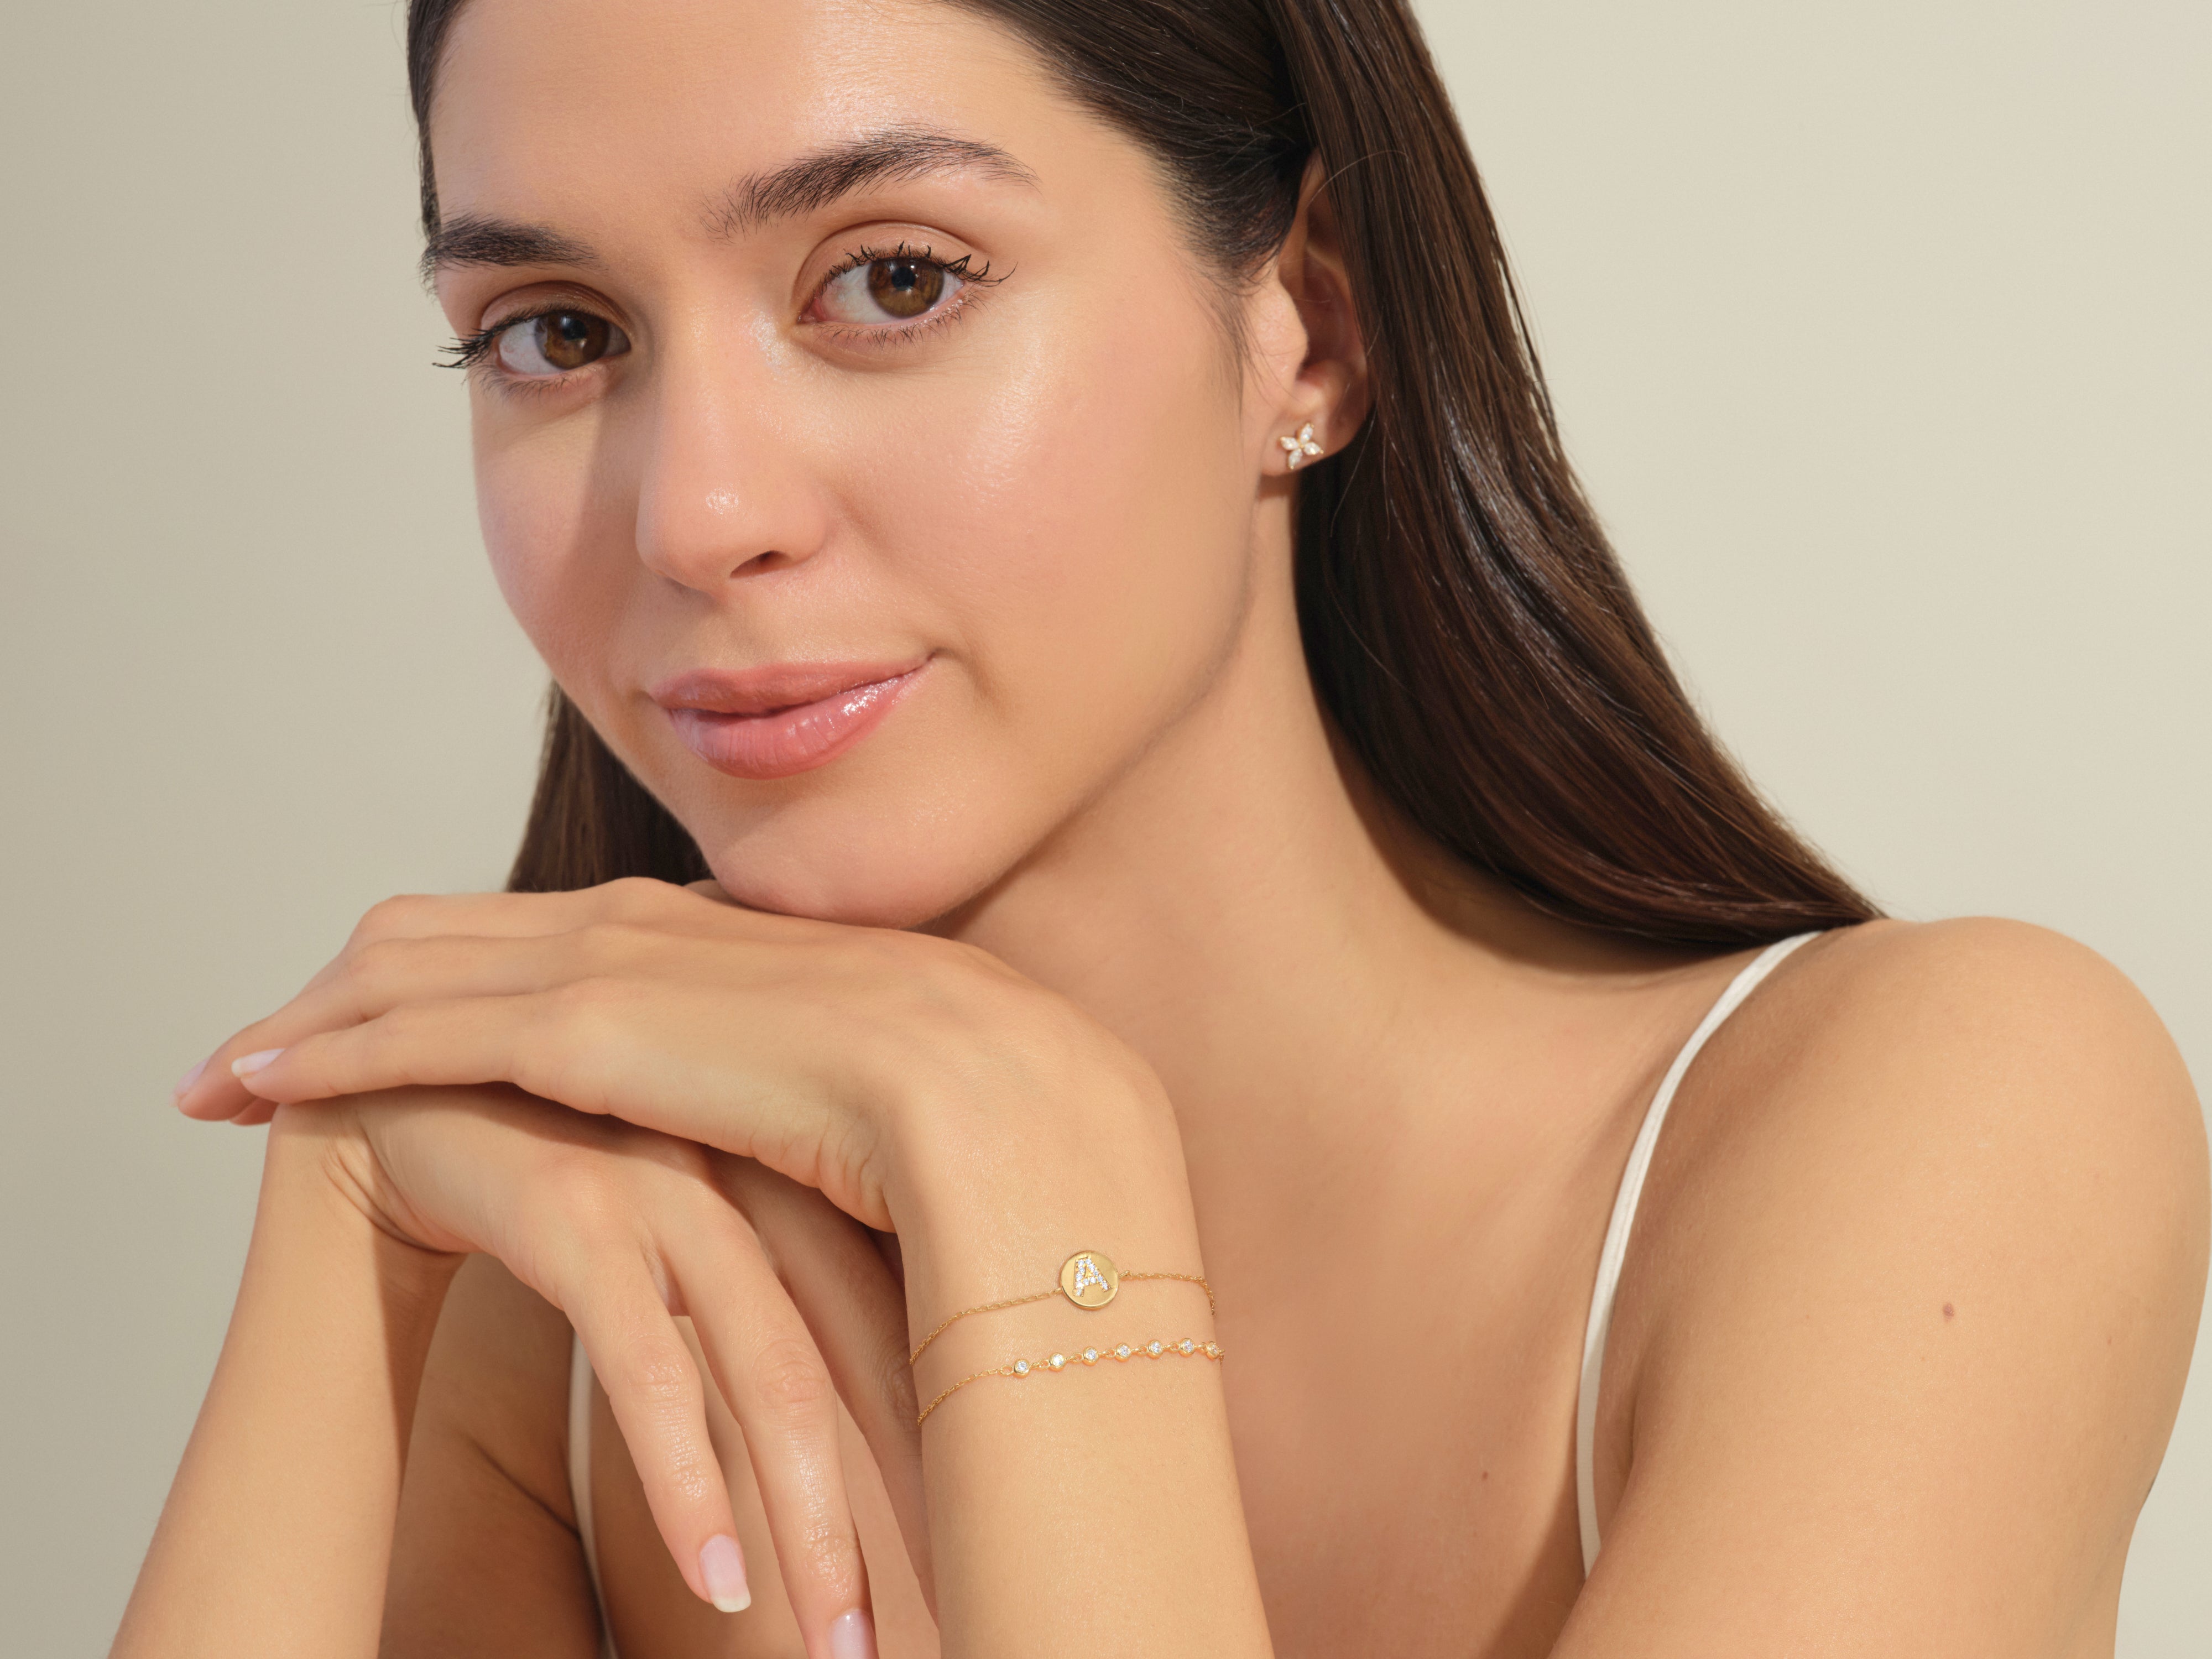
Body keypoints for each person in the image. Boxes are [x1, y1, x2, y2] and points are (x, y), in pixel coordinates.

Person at [113, 0, 2208, 1655]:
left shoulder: (1928, 1129)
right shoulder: (572, 1327)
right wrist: (346, 1241)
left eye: (895, 280)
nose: (697, 514)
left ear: (1311, 314)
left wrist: (1039, 1205)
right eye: (558, 336)